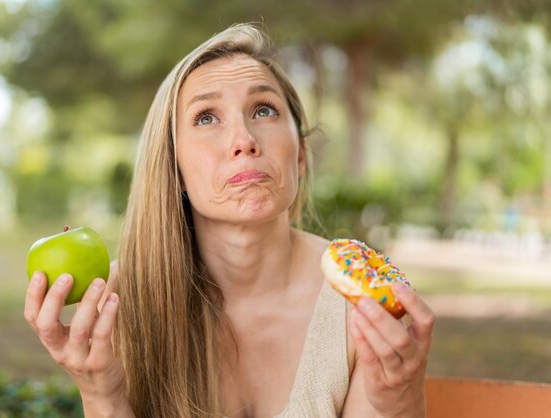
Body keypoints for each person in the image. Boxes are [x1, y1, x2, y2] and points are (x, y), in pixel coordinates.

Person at [24, 23, 434, 418]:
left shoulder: (360, 302)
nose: (244, 141)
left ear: (301, 155)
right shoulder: (116, 304)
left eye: (264, 109)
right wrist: (101, 395)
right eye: (206, 117)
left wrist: (399, 403)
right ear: (173, 168)